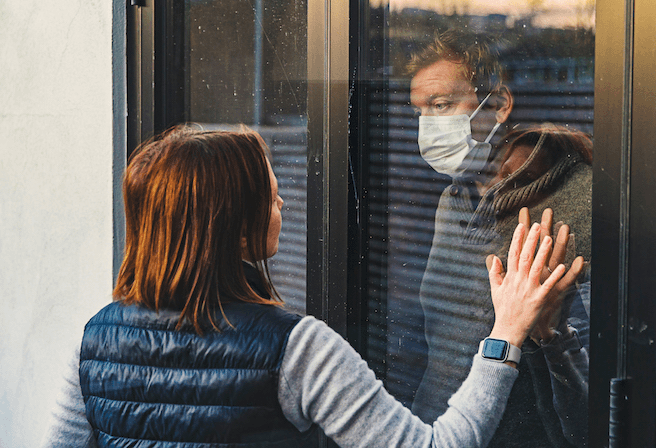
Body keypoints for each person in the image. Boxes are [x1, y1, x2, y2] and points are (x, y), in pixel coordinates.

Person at [42, 126, 583, 447]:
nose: (283, 203)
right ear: (233, 222)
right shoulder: (293, 347)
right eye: (271, 194)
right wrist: (507, 332)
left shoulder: (95, 340)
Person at [408, 29, 592, 447]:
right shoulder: (453, 201)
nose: (428, 125)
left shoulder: (574, 200)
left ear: (499, 105)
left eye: (442, 105)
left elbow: (593, 377)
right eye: (420, 111)